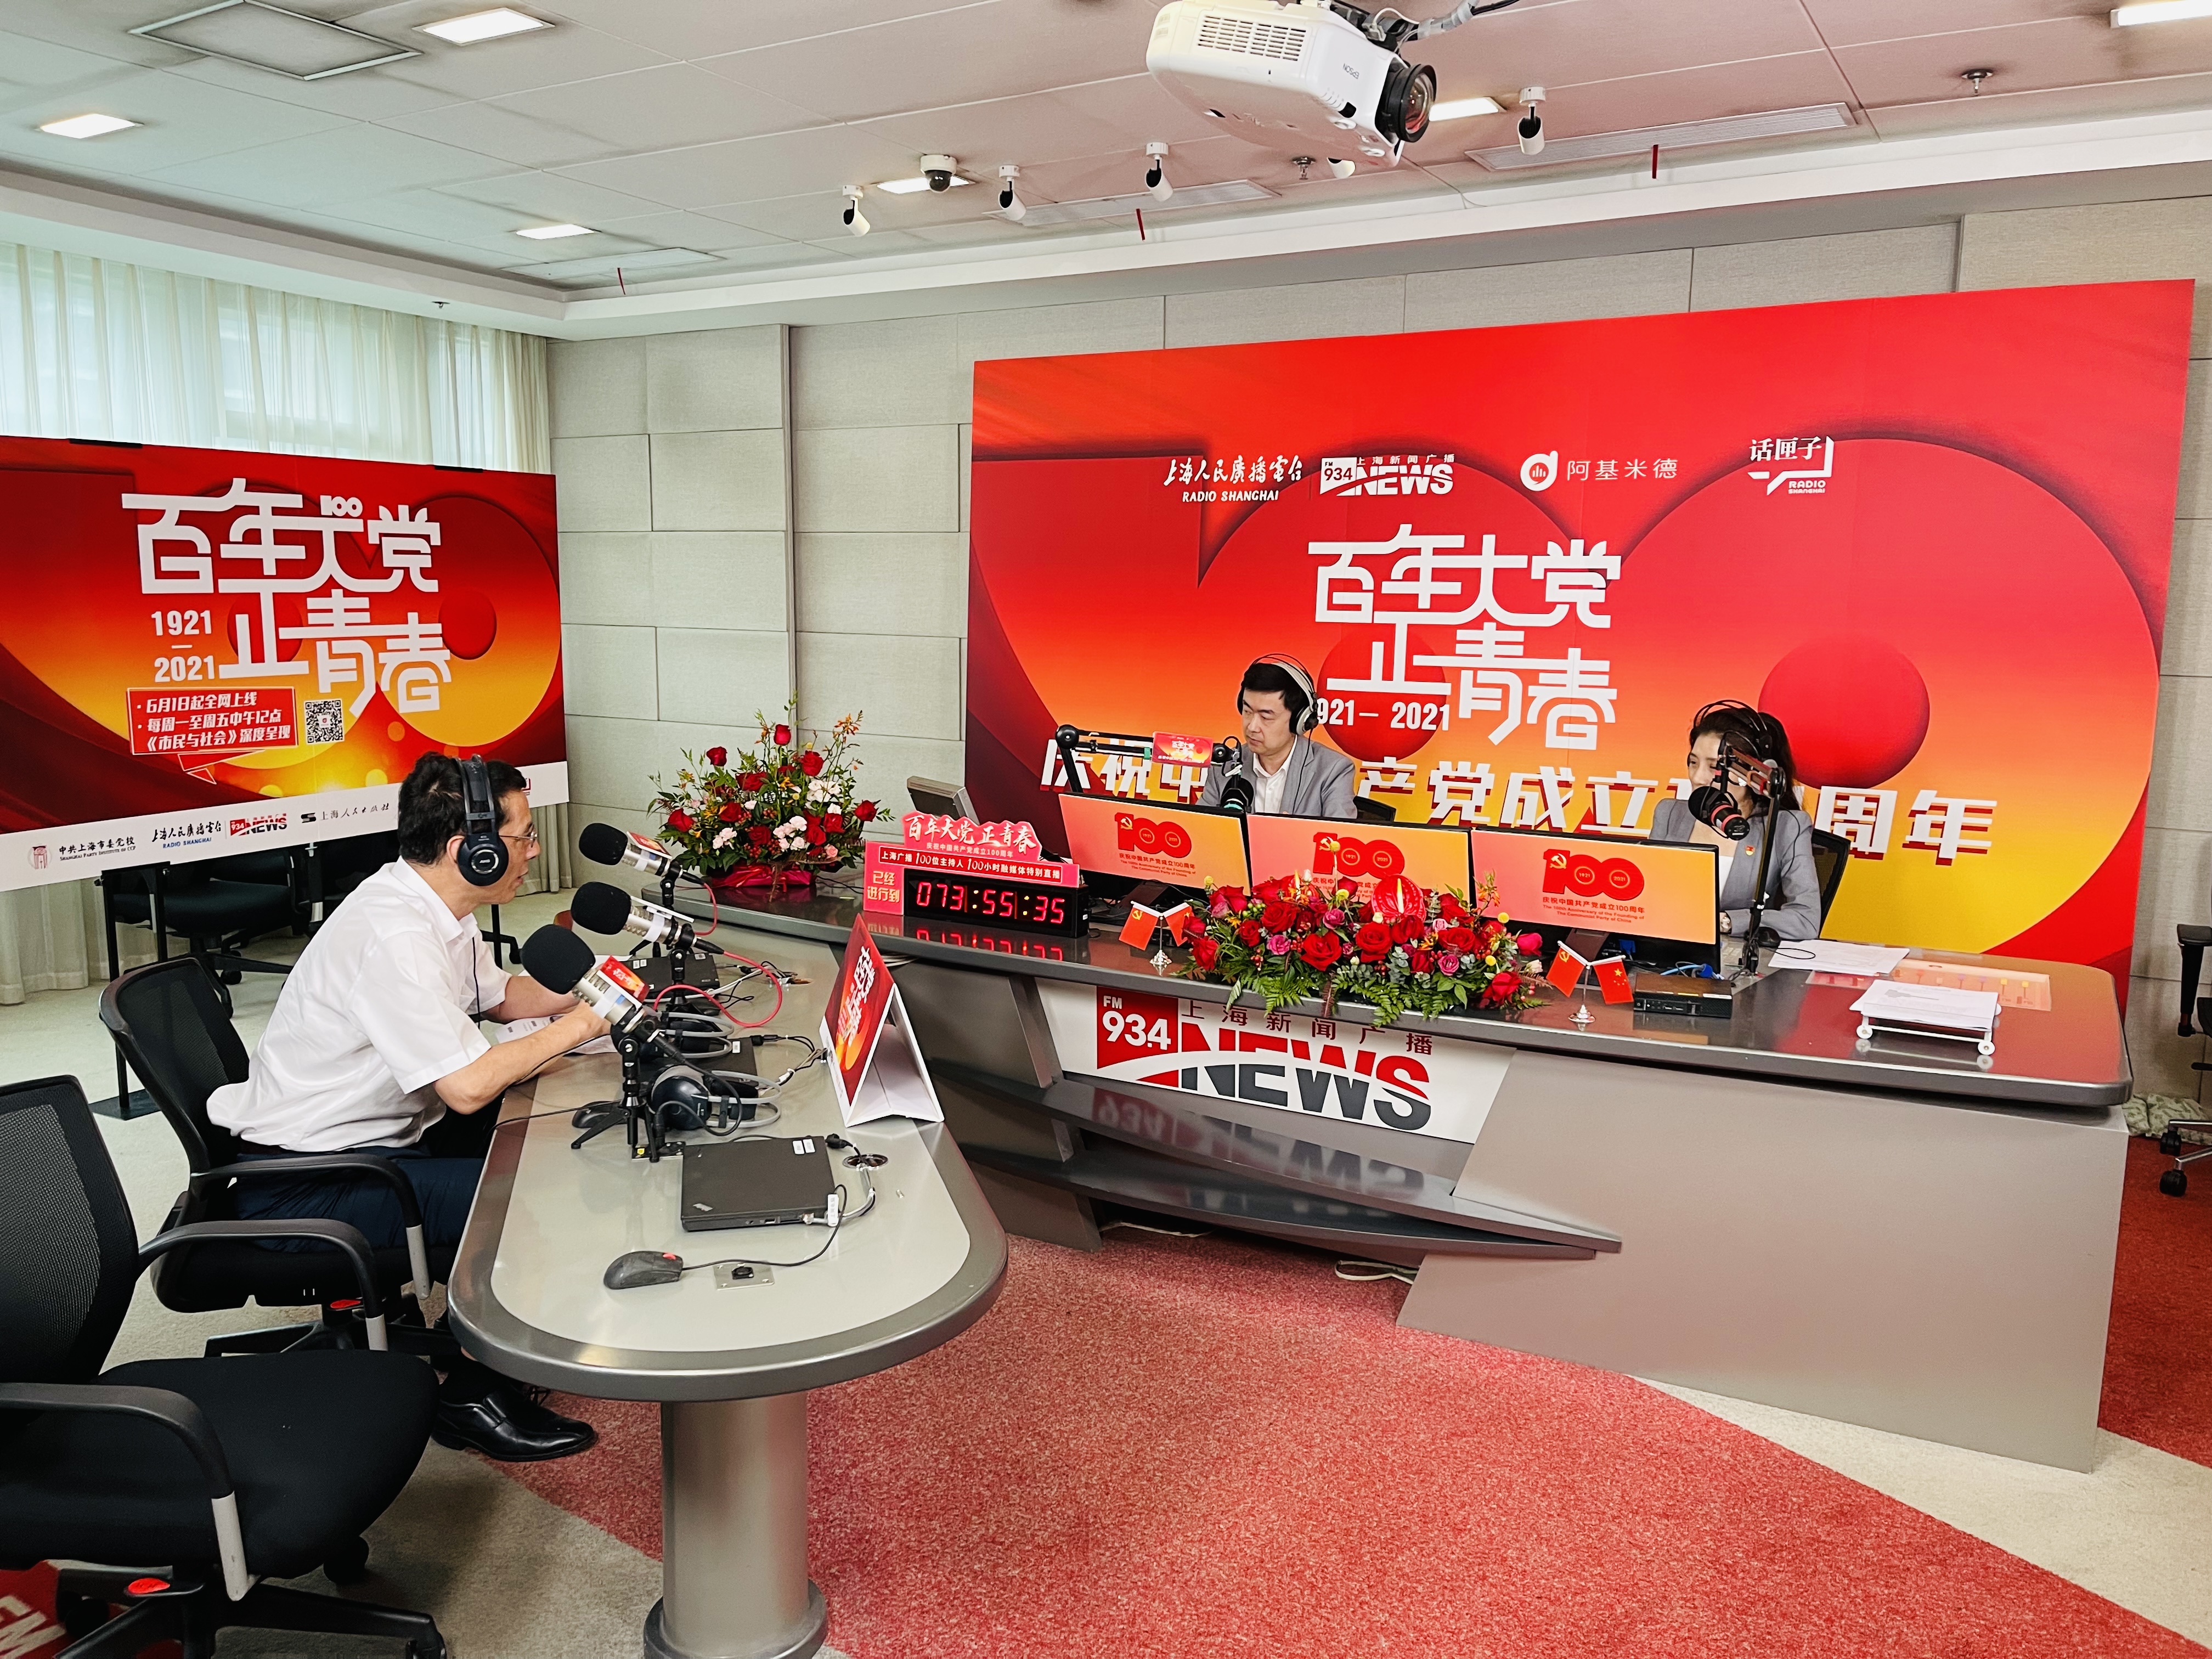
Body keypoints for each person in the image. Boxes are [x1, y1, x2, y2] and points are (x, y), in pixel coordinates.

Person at [208, 753, 611, 1462]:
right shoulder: (396, 936)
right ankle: (471, 1396)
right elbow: (466, 1087)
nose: (533, 850)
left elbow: (503, 998)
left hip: (378, 1142)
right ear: (471, 851)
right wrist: (581, 1027)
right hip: (312, 1182)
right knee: (526, 1196)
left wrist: (601, 987)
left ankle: (485, 1334)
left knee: (544, 1137)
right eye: (523, 836)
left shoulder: (432, 908)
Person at [1649, 701, 1821, 944]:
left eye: (1714, 767)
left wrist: (1728, 922)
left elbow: (1806, 919)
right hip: (1664, 948)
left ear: (1752, 774)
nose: (1698, 777)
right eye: (1693, 762)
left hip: (1733, 957)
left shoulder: (1786, 827)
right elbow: (1646, 896)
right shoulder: (1669, 814)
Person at [1197, 656, 1356, 820]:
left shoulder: (1333, 770)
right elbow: (1202, 828)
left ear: (1299, 720)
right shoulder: (1224, 768)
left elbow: (1339, 834)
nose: (1252, 727)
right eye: (1248, 712)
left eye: (1266, 717)